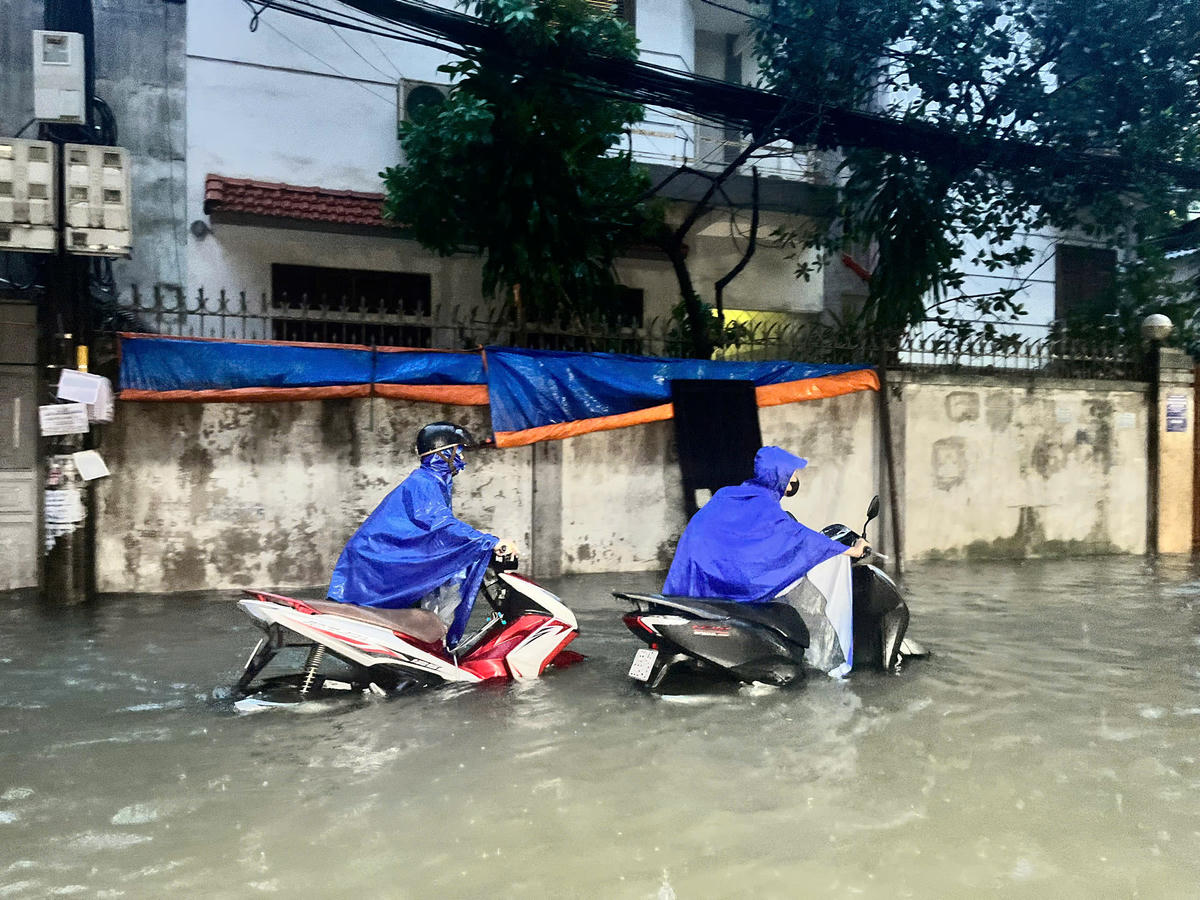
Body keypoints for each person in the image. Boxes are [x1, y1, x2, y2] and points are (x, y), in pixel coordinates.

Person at [326, 421, 516, 648]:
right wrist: (490, 542)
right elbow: (441, 526)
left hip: (380, 559)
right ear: (445, 453)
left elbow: (433, 531)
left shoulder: (433, 482)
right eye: (460, 452)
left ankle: (427, 647)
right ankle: (434, 647)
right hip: (375, 563)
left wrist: (479, 541)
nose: (463, 460)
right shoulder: (424, 484)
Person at [662, 445, 867, 602]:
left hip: (692, 575)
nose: (795, 478)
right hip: (725, 582)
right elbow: (800, 538)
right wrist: (853, 551)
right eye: (792, 473)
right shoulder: (767, 506)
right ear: (780, 475)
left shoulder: (728, 494)